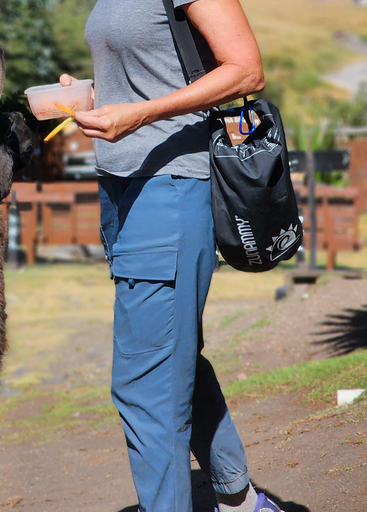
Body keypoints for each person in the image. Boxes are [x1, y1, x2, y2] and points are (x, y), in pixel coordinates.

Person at [58, 1, 284, 511]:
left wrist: (139, 112)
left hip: (169, 186)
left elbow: (246, 69)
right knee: (173, 357)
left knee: (146, 385)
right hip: (124, 190)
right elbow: (154, 76)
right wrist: (96, 98)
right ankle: (242, 502)